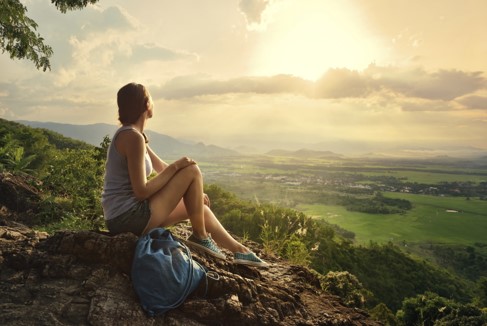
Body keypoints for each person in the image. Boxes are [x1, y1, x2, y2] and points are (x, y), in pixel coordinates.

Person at [101, 82, 267, 267]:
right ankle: (200, 236)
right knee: (192, 170)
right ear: (146, 104)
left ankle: (240, 251)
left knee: (198, 208)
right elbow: (141, 191)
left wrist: (193, 193)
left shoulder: (135, 136)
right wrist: (178, 167)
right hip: (127, 218)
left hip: (126, 216)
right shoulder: (132, 137)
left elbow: (162, 168)